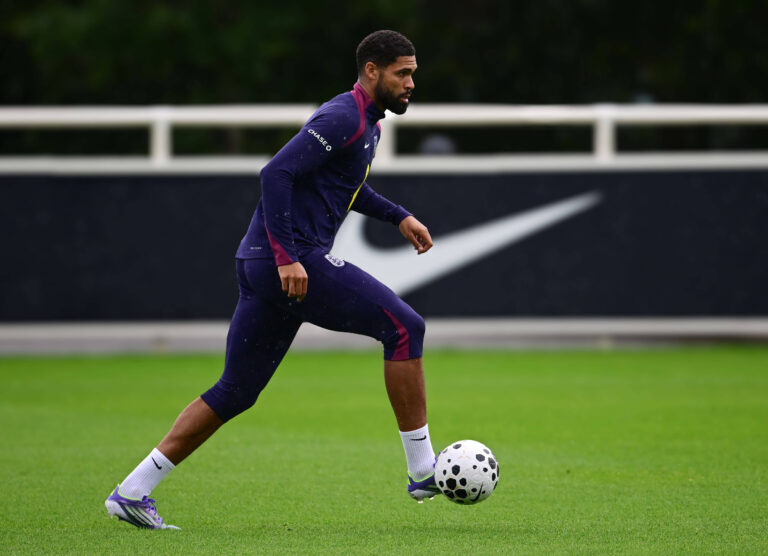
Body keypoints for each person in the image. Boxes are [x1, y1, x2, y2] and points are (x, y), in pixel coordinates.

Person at [105, 30, 441, 530]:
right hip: (285, 262)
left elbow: (344, 183)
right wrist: (288, 257)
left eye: (413, 72)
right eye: (403, 73)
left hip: (264, 263)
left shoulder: (365, 122)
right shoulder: (343, 116)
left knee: (236, 390)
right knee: (403, 326)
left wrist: (397, 216)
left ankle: (132, 492)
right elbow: (275, 173)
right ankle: (422, 470)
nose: (412, 82)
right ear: (372, 70)